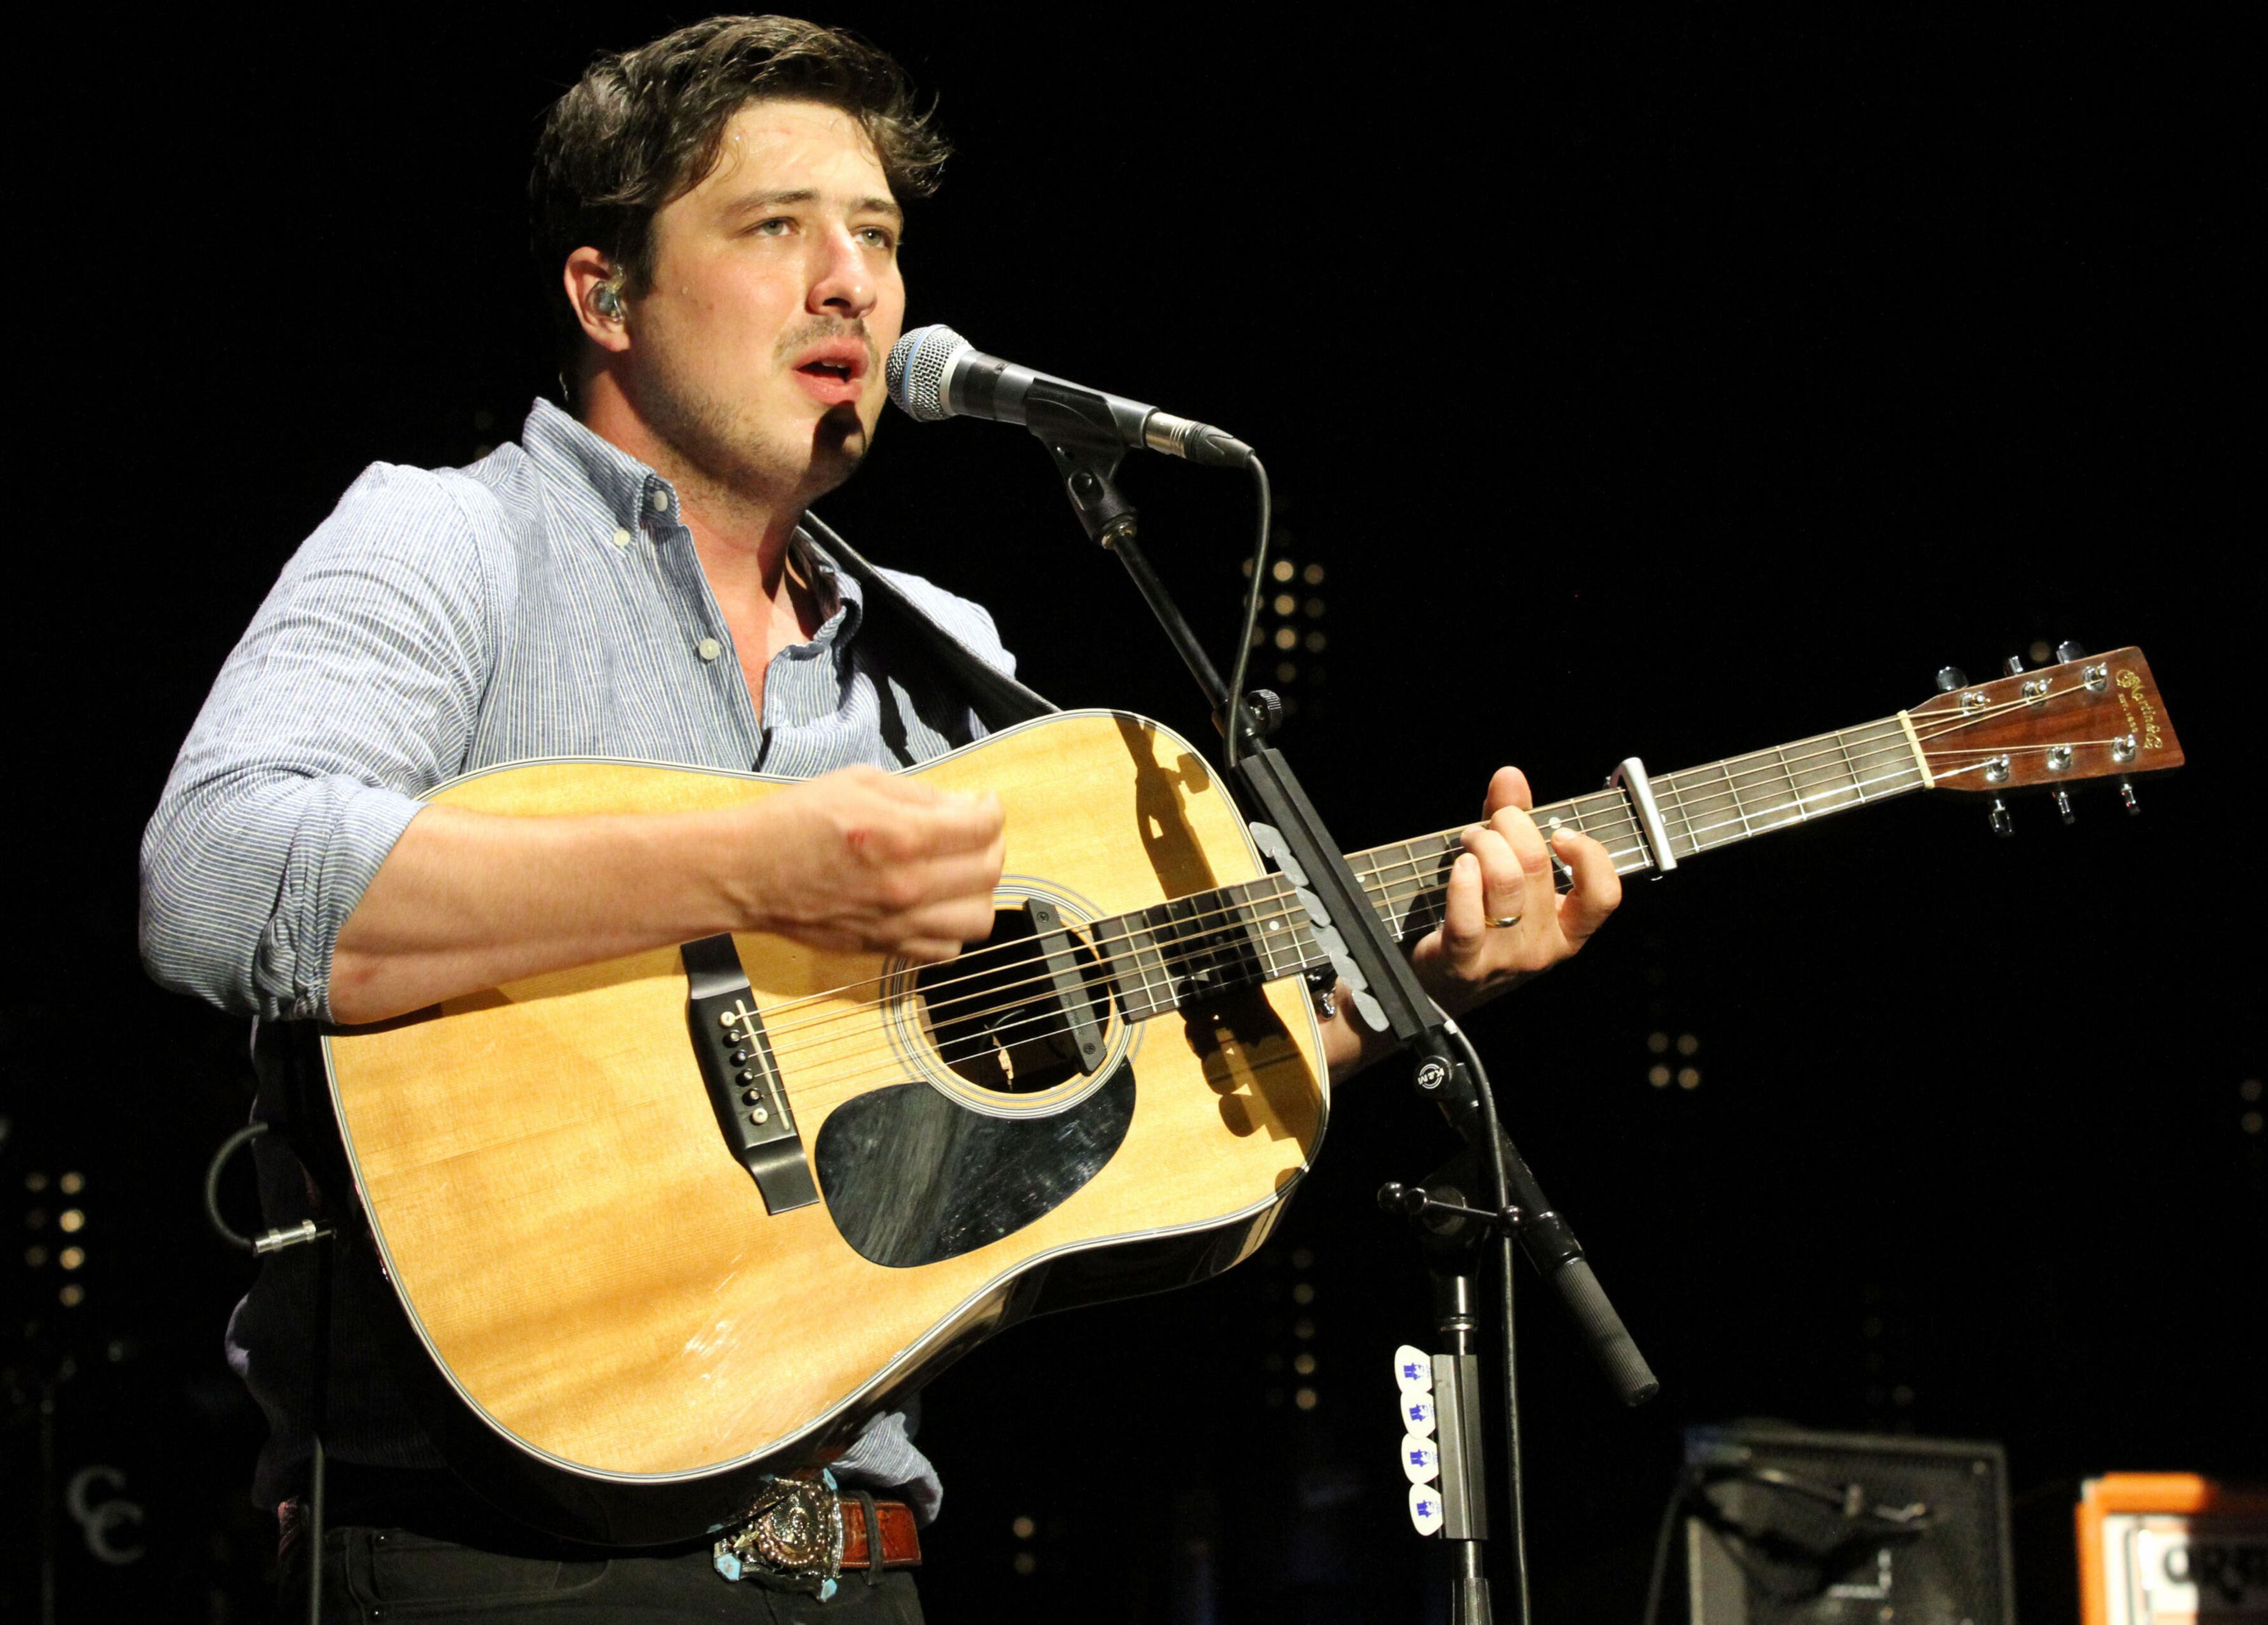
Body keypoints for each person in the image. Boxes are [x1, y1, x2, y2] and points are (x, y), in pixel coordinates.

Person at [140, 17, 1622, 1621]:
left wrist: (1412, 988)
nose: (850, 281)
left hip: (860, 1561)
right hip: (496, 1560)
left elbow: (1096, 1106)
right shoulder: (450, 543)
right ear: (605, 295)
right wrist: (760, 863)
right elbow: (217, 877)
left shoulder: (943, 658)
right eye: (776, 227)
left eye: (879, 235)